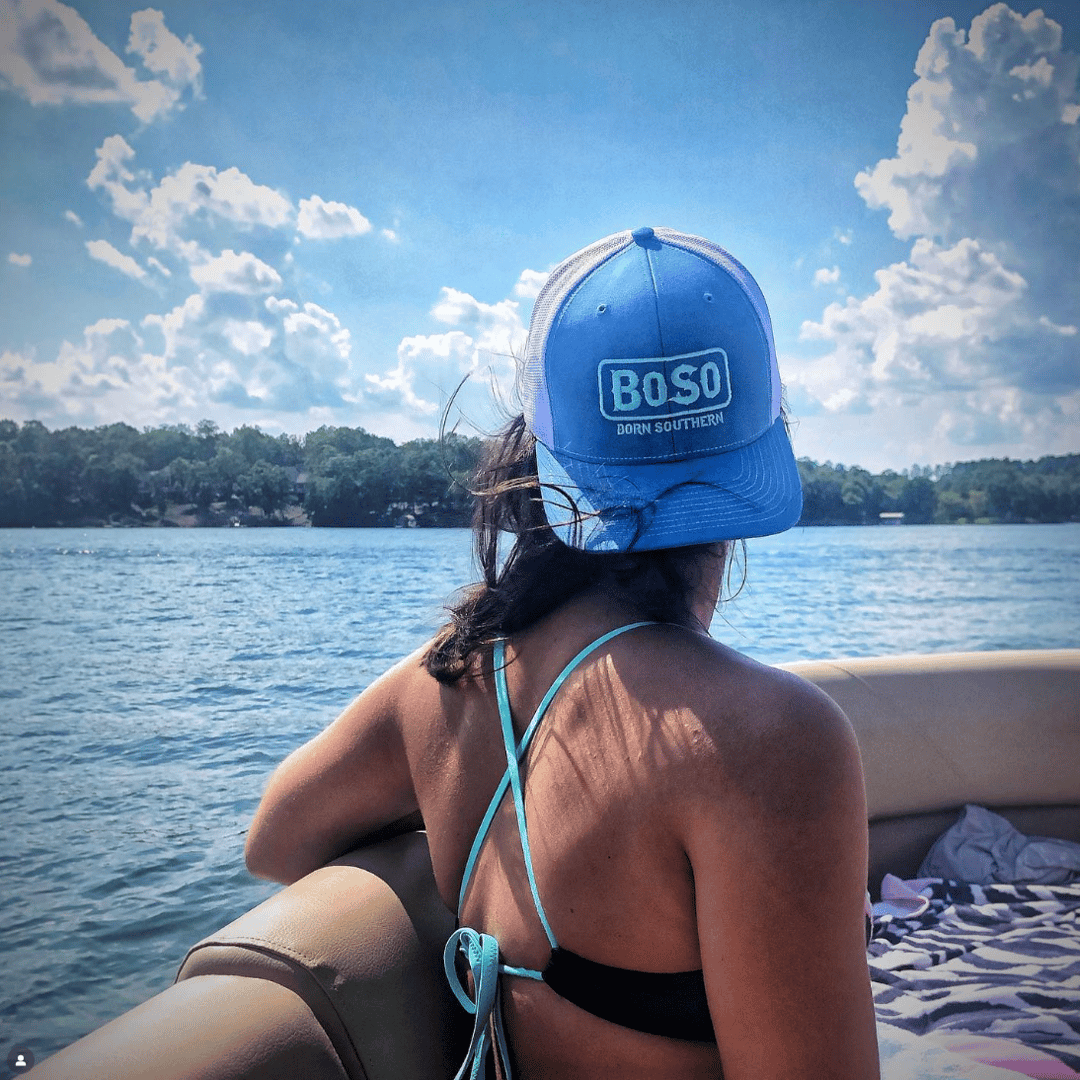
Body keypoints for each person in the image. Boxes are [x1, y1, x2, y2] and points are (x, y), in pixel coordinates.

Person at [245, 226, 880, 1079]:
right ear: (764, 438)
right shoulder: (771, 741)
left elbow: (275, 842)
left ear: (543, 453)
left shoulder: (442, 683)